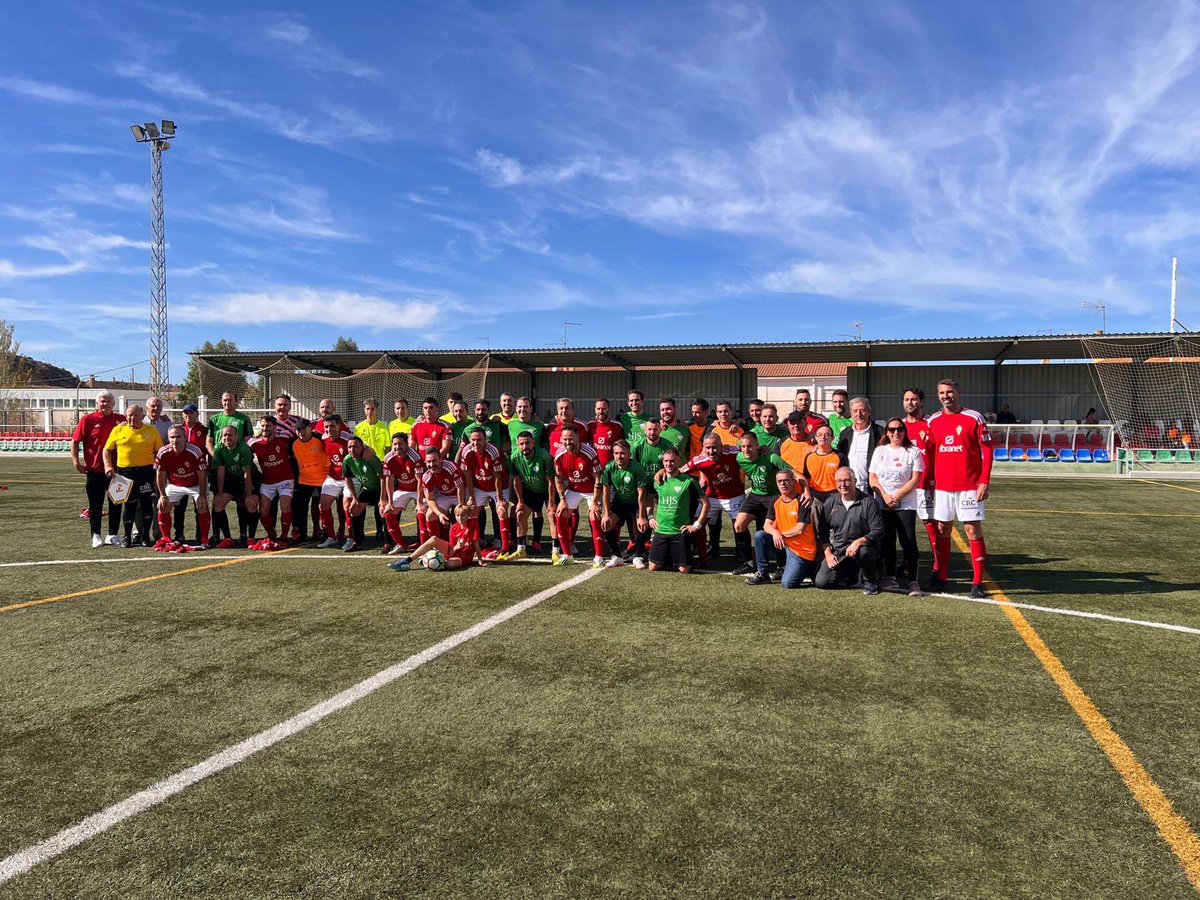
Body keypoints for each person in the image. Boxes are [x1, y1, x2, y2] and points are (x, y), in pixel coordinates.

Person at [925, 379, 993, 598]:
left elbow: (987, 451)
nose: (946, 396)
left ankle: (977, 583)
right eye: (942, 392)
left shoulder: (974, 418)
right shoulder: (933, 421)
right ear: (938, 395)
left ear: (958, 393)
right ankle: (942, 578)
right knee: (943, 530)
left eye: (950, 392)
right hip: (943, 487)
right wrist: (928, 482)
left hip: (969, 486)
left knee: (972, 530)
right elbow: (930, 454)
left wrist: (984, 481)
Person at [869, 418, 925, 596]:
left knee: (908, 541)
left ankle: (914, 581)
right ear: (886, 432)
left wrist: (896, 496)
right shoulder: (880, 451)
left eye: (900, 429)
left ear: (905, 431)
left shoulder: (913, 451)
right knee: (887, 541)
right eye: (892, 430)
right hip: (883, 502)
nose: (896, 433)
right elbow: (873, 478)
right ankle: (891, 577)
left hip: (905, 504)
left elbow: (915, 479)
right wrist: (885, 496)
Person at [731, 432, 792, 576]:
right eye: (744, 446)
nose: (746, 450)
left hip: (773, 496)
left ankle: (781, 564)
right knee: (739, 525)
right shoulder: (740, 458)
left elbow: (789, 471)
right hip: (755, 494)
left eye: (750, 446)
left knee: (768, 530)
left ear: (757, 446)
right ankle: (748, 563)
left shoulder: (770, 456)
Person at [745, 469, 819, 588]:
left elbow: (800, 529)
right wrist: (775, 533)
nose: (783, 484)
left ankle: (809, 568)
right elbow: (766, 525)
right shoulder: (775, 500)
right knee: (760, 535)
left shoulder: (802, 501)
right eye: (779, 481)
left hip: (801, 550)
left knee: (788, 583)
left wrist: (781, 535)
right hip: (785, 545)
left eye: (786, 480)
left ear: (794, 482)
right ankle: (763, 574)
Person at [815, 467, 883, 594]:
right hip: (840, 551)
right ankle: (852, 571)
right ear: (835, 483)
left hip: (864, 549)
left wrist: (858, 542)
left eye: (847, 480)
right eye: (839, 481)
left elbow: (878, 531)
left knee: (864, 553)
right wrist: (828, 554)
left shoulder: (868, 502)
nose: (843, 484)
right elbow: (823, 532)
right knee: (822, 582)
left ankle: (869, 579)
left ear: (855, 481)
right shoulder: (830, 502)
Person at [103, 403, 163, 547]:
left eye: (136, 415)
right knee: (128, 506)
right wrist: (108, 465)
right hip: (125, 473)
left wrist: (158, 473)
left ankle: (146, 536)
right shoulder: (118, 430)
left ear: (142, 416)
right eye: (130, 415)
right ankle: (127, 537)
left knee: (147, 504)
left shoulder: (151, 431)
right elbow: (107, 449)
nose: (132, 418)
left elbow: (160, 453)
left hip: (146, 472)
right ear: (126, 416)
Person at [681, 432, 746, 565]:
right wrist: (662, 472)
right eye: (708, 448)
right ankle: (703, 557)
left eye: (715, 447)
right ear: (703, 448)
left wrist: (762, 448)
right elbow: (680, 471)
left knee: (740, 526)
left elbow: (749, 449)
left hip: (735, 496)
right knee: (696, 525)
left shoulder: (733, 452)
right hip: (712, 498)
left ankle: (745, 558)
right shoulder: (699, 460)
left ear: (722, 446)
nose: (712, 451)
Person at [71, 390, 126, 548]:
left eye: (108, 401)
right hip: (95, 471)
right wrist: (76, 462)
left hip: (117, 471)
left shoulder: (121, 420)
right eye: (102, 401)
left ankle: (113, 534)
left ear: (113, 404)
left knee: (116, 503)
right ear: (97, 403)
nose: (105, 404)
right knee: (96, 505)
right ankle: (95, 534)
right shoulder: (87, 420)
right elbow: (75, 441)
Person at [647, 448, 709, 574]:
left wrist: (697, 525)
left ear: (678, 461)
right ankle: (669, 555)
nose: (669, 464)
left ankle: (684, 551)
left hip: (680, 532)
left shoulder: (689, 482)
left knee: (684, 569)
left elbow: (706, 503)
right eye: (666, 461)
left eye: (672, 461)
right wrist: (650, 516)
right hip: (661, 530)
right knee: (653, 567)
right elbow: (649, 498)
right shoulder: (658, 481)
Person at [902, 387, 940, 581]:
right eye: (907, 399)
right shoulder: (898, 426)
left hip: (926, 485)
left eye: (914, 399)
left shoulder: (930, 424)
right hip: (904, 488)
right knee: (904, 527)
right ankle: (908, 562)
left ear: (922, 402)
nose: (910, 403)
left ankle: (937, 567)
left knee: (931, 526)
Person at [552, 424, 604, 566]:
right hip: (574, 489)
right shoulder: (559, 454)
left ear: (578, 438)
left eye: (570, 439)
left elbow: (598, 478)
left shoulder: (589, 452)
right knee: (560, 513)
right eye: (564, 439)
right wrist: (562, 500)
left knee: (594, 515)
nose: (567, 443)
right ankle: (567, 555)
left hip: (591, 490)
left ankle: (598, 556)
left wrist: (594, 501)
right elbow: (558, 478)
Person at [153, 425, 210, 549]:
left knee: (202, 505)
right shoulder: (163, 452)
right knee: (162, 506)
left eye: (178, 437)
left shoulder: (195, 451)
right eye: (172, 437)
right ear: (168, 438)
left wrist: (202, 494)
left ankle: (204, 539)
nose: (175, 440)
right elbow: (160, 475)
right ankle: (166, 538)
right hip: (175, 484)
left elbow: (202, 475)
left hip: (195, 485)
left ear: (185, 438)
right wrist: (162, 495)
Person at [460, 425, 513, 556]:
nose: (475, 443)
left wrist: (500, 499)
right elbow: (468, 476)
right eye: (473, 440)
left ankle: (505, 547)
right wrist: (472, 497)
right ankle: (472, 543)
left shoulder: (493, 451)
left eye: (479, 440)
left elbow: (497, 477)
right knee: (470, 511)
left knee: (501, 511)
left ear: (485, 440)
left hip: (499, 486)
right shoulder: (466, 451)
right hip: (480, 487)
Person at [388, 503, 488, 572]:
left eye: (463, 515)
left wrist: (480, 560)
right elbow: (451, 551)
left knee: (450, 565)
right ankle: (406, 561)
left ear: (468, 515)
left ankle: (428, 562)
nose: (460, 518)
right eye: (457, 515)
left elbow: (476, 544)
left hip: (464, 556)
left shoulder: (473, 525)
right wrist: (457, 547)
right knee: (433, 539)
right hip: (453, 551)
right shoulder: (453, 528)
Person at [599, 438, 650, 568]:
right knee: (606, 523)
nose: (619, 456)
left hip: (635, 502)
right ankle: (617, 556)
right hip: (620, 501)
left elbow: (641, 494)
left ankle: (638, 556)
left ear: (629, 454)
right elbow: (605, 492)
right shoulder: (609, 468)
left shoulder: (637, 468)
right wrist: (606, 513)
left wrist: (642, 516)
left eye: (622, 453)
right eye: (616, 453)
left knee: (642, 525)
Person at [506, 429, 556, 559]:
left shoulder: (545, 457)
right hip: (531, 489)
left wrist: (551, 502)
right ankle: (521, 549)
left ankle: (556, 551)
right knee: (520, 513)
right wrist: (520, 501)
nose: (525, 447)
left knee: (552, 515)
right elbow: (516, 480)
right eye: (521, 444)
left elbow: (551, 482)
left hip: (547, 490)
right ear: (517, 444)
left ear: (533, 443)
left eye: (527, 443)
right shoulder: (514, 457)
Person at [249, 416, 294, 547]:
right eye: (262, 426)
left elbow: (297, 438)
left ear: (275, 427)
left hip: (285, 479)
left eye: (268, 426)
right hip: (267, 482)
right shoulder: (254, 443)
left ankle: (284, 537)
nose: (265, 429)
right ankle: (271, 534)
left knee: (285, 506)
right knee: (263, 511)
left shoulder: (285, 437)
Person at [211, 424, 257, 548]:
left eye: (230, 435)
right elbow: (220, 472)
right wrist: (219, 493)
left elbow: (247, 473)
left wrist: (249, 494)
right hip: (233, 478)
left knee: (250, 503)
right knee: (218, 504)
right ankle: (228, 538)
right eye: (224, 435)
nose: (227, 437)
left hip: (251, 477)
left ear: (237, 436)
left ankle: (250, 538)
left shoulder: (243, 448)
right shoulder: (218, 448)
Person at [355, 398, 391, 542]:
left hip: (379, 468)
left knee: (379, 500)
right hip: (363, 469)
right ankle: (359, 532)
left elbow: (387, 448)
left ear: (377, 410)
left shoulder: (383, 427)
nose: (370, 412)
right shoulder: (358, 428)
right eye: (367, 409)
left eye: (372, 409)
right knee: (360, 500)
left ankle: (379, 531)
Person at [381, 430, 423, 554]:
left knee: (422, 513)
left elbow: (420, 481)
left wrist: (420, 502)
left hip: (417, 489)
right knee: (388, 513)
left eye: (400, 444)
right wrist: (390, 501)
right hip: (403, 489)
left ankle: (423, 543)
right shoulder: (389, 457)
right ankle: (400, 544)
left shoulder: (415, 457)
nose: (397, 447)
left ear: (406, 444)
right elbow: (389, 479)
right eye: (394, 444)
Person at [290, 419, 329, 545]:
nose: (301, 432)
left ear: (310, 428)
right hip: (304, 480)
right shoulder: (293, 443)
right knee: (301, 508)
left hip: (324, 479)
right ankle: (302, 535)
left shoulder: (321, 438)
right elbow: (292, 463)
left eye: (303, 428)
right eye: (298, 429)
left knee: (324, 508)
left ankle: (327, 533)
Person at [341, 435, 383, 552]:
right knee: (354, 509)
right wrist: (355, 498)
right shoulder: (347, 460)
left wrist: (383, 497)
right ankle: (357, 542)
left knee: (382, 510)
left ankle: (386, 540)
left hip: (380, 488)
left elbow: (383, 478)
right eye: (349, 447)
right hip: (367, 489)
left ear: (362, 448)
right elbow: (348, 479)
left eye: (355, 447)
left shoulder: (370, 458)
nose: (352, 449)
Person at [315, 415, 351, 548]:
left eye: (332, 426)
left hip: (349, 478)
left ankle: (351, 538)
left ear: (338, 426)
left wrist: (368, 450)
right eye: (326, 427)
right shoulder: (323, 439)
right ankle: (331, 537)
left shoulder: (348, 438)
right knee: (323, 505)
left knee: (347, 507)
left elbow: (363, 448)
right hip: (332, 477)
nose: (329, 429)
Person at [836, 397, 884, 493]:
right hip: (849, 488)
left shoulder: (880, 433)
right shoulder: (845, 434)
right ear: (851, 413)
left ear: (869, 412)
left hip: (873, 488)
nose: (858, 414)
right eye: (855, 411)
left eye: (862, 411)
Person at [421, 445, 467, 539]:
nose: (431, 464)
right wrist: (439, 514)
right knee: (430, 515)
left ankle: (469, 540)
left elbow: (460, 488)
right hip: (445, 495)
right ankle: (437, 544)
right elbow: (430, 499)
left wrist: (460, 507)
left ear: (440, 459)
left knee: (464, 514)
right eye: (428, 462)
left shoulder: (450, 467)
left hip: (462, 493)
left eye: (434, 461)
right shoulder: (426, 477)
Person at [801, 425, 847, 503]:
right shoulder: (809, 456)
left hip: (835, 495)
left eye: (827, 435)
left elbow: (844, 478)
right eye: (820, 435)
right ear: (816, 437)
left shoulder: (840, 456)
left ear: (832, 438)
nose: (823, 437)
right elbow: (806, 477)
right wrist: (806, 492)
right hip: (815, 496)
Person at [205, 391, 253, 456]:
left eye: (230, 400)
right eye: (225, 400)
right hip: (218, 461)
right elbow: (209, 442)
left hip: (236, 461)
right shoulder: (213, 420)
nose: (227, 402)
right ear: (221, 402)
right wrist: (216, 457)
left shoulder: (244, 419)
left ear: (236, 402)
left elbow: (248, 441)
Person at [586, 397, 625, 466]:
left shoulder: (617, 426)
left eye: (603, 409)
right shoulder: (589, 425)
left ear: (609, 409)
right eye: (598, 409)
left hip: (612, 468)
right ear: (595, 410)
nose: (601, 411)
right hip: (594, 469)